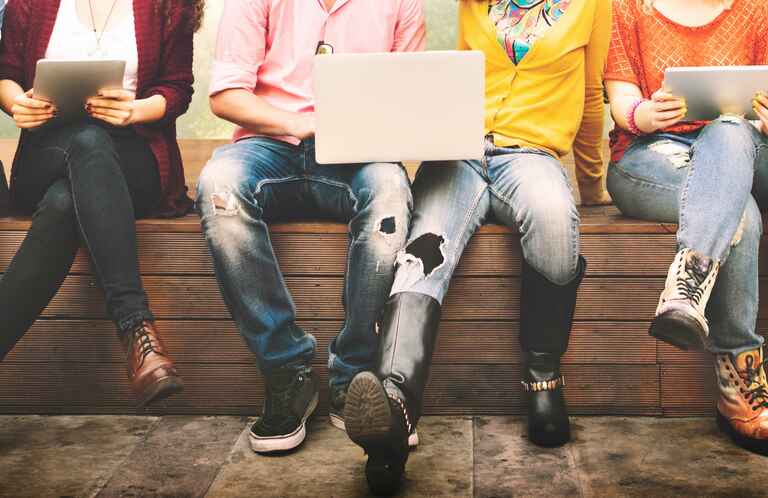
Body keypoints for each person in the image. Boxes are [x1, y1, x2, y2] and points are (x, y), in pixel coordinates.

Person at [343, 0, 611, 494]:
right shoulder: (474, 4)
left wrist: (593, 184)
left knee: (555, 218)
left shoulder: (591, 6)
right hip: (460, 154)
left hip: (530, 155)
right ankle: (394, 406)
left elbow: (592, 94)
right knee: (422, 252)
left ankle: (544, 377)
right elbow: (457, 84)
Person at [197, 0, 424, 455]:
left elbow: (410, 98)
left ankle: (355, 374)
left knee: (390, 193)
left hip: (357, 153)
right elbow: (226, 96)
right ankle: (286, 371)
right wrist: (299, 124)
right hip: (268, 145)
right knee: (219, 187)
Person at [0, 0, 202, 408]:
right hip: (47, 152)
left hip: (133, 156)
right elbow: (6, 75)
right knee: (86, 143)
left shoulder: (167, 5)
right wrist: (18, 103)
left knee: (63, 203)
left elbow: (178, 89)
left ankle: (136, 331)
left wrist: (135, 110)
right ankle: (137, 330)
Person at [604, 0, 768, 455]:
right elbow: (621, 101)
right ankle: (740, 382)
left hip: (746, 147)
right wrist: (644, 114)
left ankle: (686, 288)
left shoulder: (758, 9)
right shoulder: (628, 8)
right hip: (653, 156)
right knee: (740, 212)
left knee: (729, 129)